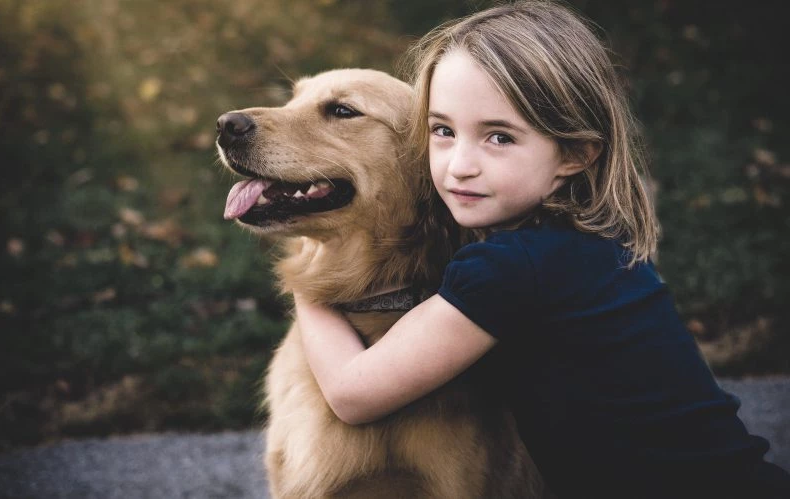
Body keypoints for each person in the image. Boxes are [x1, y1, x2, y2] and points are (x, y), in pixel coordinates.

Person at [293, 1, 790, 497]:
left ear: (573, 153)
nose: (459, 165)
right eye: (442, 131)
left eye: (499, 137)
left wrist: (307, 275)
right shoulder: (587, 241)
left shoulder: (510, 269)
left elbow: (353, 394)